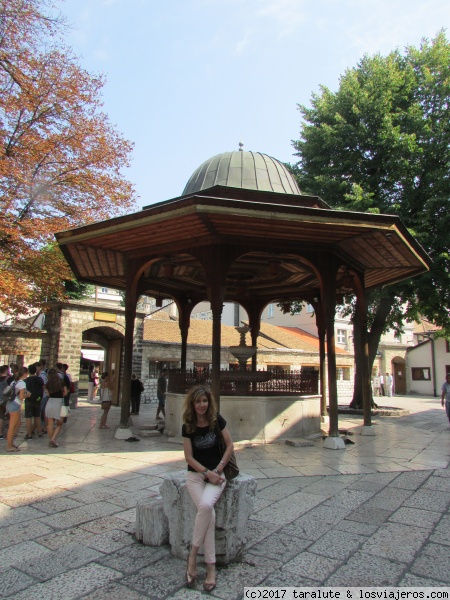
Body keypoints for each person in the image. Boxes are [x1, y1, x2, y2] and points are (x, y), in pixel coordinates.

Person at [182, 384, 234, 592]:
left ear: (209, 402)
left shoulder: (216, 420)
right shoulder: (187, 425)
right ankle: (210, 567)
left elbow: (230, 445)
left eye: (204, 401)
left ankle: (193, 556)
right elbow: (188, 457)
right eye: (198, 401)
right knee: (208, 514)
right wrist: (206, 473)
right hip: (196, 477)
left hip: (217, 477)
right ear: (192, 404)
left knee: (205, 506)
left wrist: (218, 470)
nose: (202, 405)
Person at [6, 366, 30, 452]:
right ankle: (9, 446)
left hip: (11, 403)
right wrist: (27, 395)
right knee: (12, 426)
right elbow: (21, 397)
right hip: (15, 404)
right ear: (25, 374)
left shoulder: (14, 382)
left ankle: (11, 443)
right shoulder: (22, 383)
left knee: (18, 423)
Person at [45, 367, 69, 448]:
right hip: (58, 403)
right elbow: (65, 392)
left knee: (50, 423)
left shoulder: (48, 384)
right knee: (60, 423)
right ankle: (53, 439)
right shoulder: (61, 382)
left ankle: (51, 439)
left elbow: (47, 394)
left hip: (50, 402)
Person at [24, 363, 44, 439]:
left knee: (28, 417)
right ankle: (39, 432)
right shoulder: (40, 379)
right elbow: (43, 388)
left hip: (29, 400)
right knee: (37, 416)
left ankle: (29, 434)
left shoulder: (26, 381)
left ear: (28, 371)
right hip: (38, 399)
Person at [0, 364, 10, 440]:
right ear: (5, 371)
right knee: (9, 416)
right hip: (6, 400)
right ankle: (10, 432)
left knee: (0, 417)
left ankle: (0, 433)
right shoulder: (8, 379)